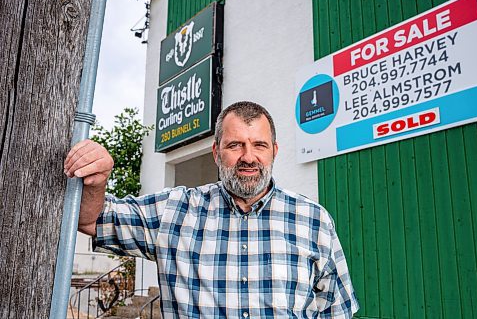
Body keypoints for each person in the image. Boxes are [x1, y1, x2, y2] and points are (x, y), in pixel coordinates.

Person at [64, 101, 359, 318]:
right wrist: (96, 182)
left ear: (274, 151)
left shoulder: (313, 219)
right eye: (235, 145)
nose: (248, 157)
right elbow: (93, 220)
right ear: (216, 152)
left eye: (259, 145)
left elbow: (337, 311)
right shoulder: (174, 211)